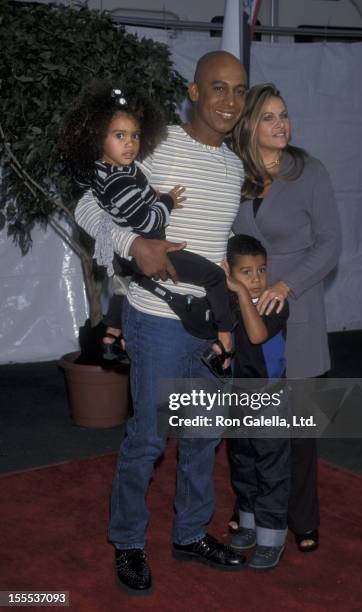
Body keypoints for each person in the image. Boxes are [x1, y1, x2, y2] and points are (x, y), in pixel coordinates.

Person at [74, 51, 248, 595]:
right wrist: (135, 246)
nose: (230, 101)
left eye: (240, 91)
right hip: (157, 320)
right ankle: (128, 543)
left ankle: (190, 533)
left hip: (208, 326)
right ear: (193, 92)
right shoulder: (156, 144)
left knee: (203, 438)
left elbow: (210, 241)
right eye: (218, 88)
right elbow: (86, 206)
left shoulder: (234, 166)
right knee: (147, 440)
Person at [231, 83, 341, 552]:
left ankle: (303, 519)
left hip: (297, 312)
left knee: (297, 433)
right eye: (271, 117)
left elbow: (330, 244)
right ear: (252, 125)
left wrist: (285, 284)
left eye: (285, 115)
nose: (282, 125)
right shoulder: (234, 173)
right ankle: (251, 510)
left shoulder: (308, 171)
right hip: (249, 319)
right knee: (251, 428)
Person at [59, 82, 234, 375]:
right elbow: (146, 221)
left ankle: (112, 337)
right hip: (150, 252)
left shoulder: (109, 171)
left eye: (135, 136)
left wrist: (150, 193)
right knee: (214, 277)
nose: (130, 143)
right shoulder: (124, 176)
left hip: (130, 262)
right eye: (119, 136)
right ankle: (226, 338)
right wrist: (165, 202)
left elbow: (132, 192)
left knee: (125, 286)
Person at [222, 234, 290, 571]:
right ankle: (248, 525)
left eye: (261, 270)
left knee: (271, 469)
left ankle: (271, 537)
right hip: (237, 397)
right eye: (246, 272)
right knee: (243, 463)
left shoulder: (275, 302)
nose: (257, 279)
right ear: (229, 272)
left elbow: (256, 335)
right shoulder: (228, 301)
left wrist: (240, 293)